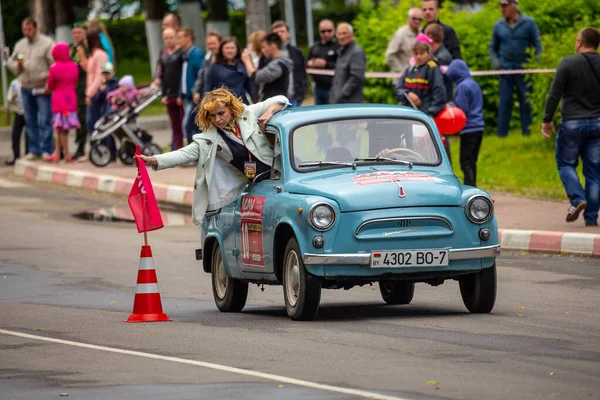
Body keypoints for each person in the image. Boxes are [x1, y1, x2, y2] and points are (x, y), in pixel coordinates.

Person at [135, 88, 289, 227]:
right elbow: (185, 154)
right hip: (257, 185)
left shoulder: (248, 113)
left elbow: (281, 99)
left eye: (221, 113)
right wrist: (154, 160)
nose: (218, 120)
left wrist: (269, 113)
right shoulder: (210, 138)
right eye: (213, 116)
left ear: (231, 108)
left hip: (282, 174)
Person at [542, 27, 600, 226]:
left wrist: (547, 120)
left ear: (579, 41)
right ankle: (591, 218)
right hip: (597, 124)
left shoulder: (568, 63)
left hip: (572, 123)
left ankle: (577, 198)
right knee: (594, 171)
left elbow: (554, 94)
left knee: (565, 164)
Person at [489, 0, 542, 137]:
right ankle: (502, 134)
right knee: (505, 101)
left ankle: (527, 131)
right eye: (501, 6)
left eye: (505, 6)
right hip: (506, 69)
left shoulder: (529, 23)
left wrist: (536, 64)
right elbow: (492, 47)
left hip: (524, 68)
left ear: (514, 6)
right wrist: (497, 63)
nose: (502, 9)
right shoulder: (498, 25)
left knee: (526, 100)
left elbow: (537, 45)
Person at [7, 17, 55, 160]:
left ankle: (47, 149)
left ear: (35, 28)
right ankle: (34, 150)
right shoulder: (20, 45)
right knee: (30, 120)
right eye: (24, 30)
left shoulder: (47, 43)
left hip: (42, 87)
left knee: (45, 119)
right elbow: (11, 61)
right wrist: (17, 66)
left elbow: (54, 64)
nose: (26, 32)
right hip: (26, 87)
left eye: (29, 29)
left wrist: (50, 84)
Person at [446, 60, 484, 187]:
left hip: (469, 128)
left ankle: (470, 187)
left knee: (465, 162)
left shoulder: (462, 87)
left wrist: (450, 107)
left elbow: (461, 109)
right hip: (479, 127)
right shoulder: (473, 83)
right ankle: (474, 185)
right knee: (472, 161)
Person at [43, 43, 80, 163]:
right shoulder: (74, 66)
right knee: (63, 128)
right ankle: (58, 153)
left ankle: (65, 154)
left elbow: (51, 85)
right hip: (71, 99)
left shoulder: (54, 68)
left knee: (60, 128)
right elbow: (75, 81)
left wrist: (46, 90)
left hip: (59, 101)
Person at [395, 42, 446, 118]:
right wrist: (408, 94)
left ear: (428, 54)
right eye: (416, 54)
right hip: (409, 114)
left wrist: (430, 113)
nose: (418, 56)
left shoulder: (432, 67)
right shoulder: (410, 69)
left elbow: (439, 92)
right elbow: (398, 88)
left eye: (422, 53)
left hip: (425, 115)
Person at [242, 33, 293, 103]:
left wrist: (247, 60)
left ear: (273, 46)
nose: (262, 50)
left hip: (274, 107)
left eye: (264, 47)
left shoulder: (277, 65)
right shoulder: (276, 61)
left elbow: (255, 77)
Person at [158, 27, 184, 150]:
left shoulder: (181, 54)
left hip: (180, 95)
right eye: (166, 38)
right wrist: (163, 94)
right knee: (175, 125)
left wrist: (180, 94)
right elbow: (162, 76)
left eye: (171, 37)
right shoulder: (163, 54)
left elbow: (182, 76)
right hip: (169, 95)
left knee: (184, 123)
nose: (168, 40)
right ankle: (177, 149)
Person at [204, 37, 252, 104]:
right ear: (222, 50)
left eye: (232, 48)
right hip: (222, 104)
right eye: (227, 48)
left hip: (241, 104)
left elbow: (250, 87)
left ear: (237, 50)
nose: (230, 50)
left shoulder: (243, 65)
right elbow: (208, 87)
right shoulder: (215, 67)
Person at [177, 27, 205, 144]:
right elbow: (183, 75)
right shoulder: (185, 54)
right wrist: (181, 94)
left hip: (195, 97)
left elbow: (201, 74)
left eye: (180, 37)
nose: (177, 40)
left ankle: (193, 155)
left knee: (189, 125)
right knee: (192, 126)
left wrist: (196, 91)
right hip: (187, 96)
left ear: (188, 38)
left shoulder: (196, 54)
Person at [272, 21, 308, 107]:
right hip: (275, 100)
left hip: (294, 97)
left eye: (282, 31)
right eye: (276, 32)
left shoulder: (297, 52)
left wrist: (302, 93)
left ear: (288, 34)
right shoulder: (268, 54)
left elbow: (303, 74)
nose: (279, 34)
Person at [330, 23, 366, 104]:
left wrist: (341, 96)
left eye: (344, 33)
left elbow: (356, 78)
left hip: (349, 102)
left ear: (352, 34)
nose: (342, 36)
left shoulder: (356, 52)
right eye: (339, 34)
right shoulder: (341, 51)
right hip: (338, 101)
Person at [306, 19, 339, 105]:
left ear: (334, 30)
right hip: (318, 87)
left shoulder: (339, 46)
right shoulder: (315, 46)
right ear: (319, 32)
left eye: (329, 31)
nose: (326, 34)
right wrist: (312, 63)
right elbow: (306, 63)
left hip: (333, 87)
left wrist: (325, 64)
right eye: (323, 31)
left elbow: (342, 65)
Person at [69, 21, 89, 160]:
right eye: (74, 33)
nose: (76, 35)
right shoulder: (73, 49)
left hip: (85, 87)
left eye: (79, 32)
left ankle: (83, 147)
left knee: (85, 118)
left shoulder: (87, 48)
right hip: (74, 89)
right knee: (78, 118)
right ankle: (80, 146)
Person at [386, 8, 422, 83]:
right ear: (408, 19)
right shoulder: (400, 34)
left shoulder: (422, 33)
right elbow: (390, 55)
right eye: (414, 18)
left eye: (419, 19)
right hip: (402, 80)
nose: (417, 21)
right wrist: (401, 72)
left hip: (419, 80)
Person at [192, 31, 222, 106]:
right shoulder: (207, 58)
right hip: (208, 96)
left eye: (214, 44)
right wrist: (196, 91)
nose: (211, 46)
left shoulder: (225, 59)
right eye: (209, 44)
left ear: (220, 43)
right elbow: (201, 76)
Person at [425, 23, 453, 101]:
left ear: (430, 37)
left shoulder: (442, 58)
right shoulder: (438, 55)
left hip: (442, 101)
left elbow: (438, 83)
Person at [4, 79, 27, 166]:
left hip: (29, 112)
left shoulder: (28, 81)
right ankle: (16, 157)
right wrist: (12, 98)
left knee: (28, 135)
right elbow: (9, 97)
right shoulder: (14, 83)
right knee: (15, 135)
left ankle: (28, 154)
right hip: (18, 112)